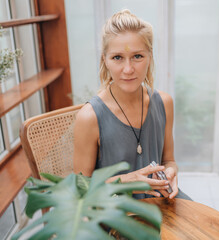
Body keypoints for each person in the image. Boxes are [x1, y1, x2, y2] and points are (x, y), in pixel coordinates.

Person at [73, 9, 190, 200]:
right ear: (105, 60)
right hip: (117, 215)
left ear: (149, 56)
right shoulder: (90, 117)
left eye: (137, 56)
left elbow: (168, 160)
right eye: (117, 57)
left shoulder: (164, 103)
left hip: (162, 202)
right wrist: (126, 181)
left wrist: (170, 172)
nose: (128, 69)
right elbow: (80, 187)